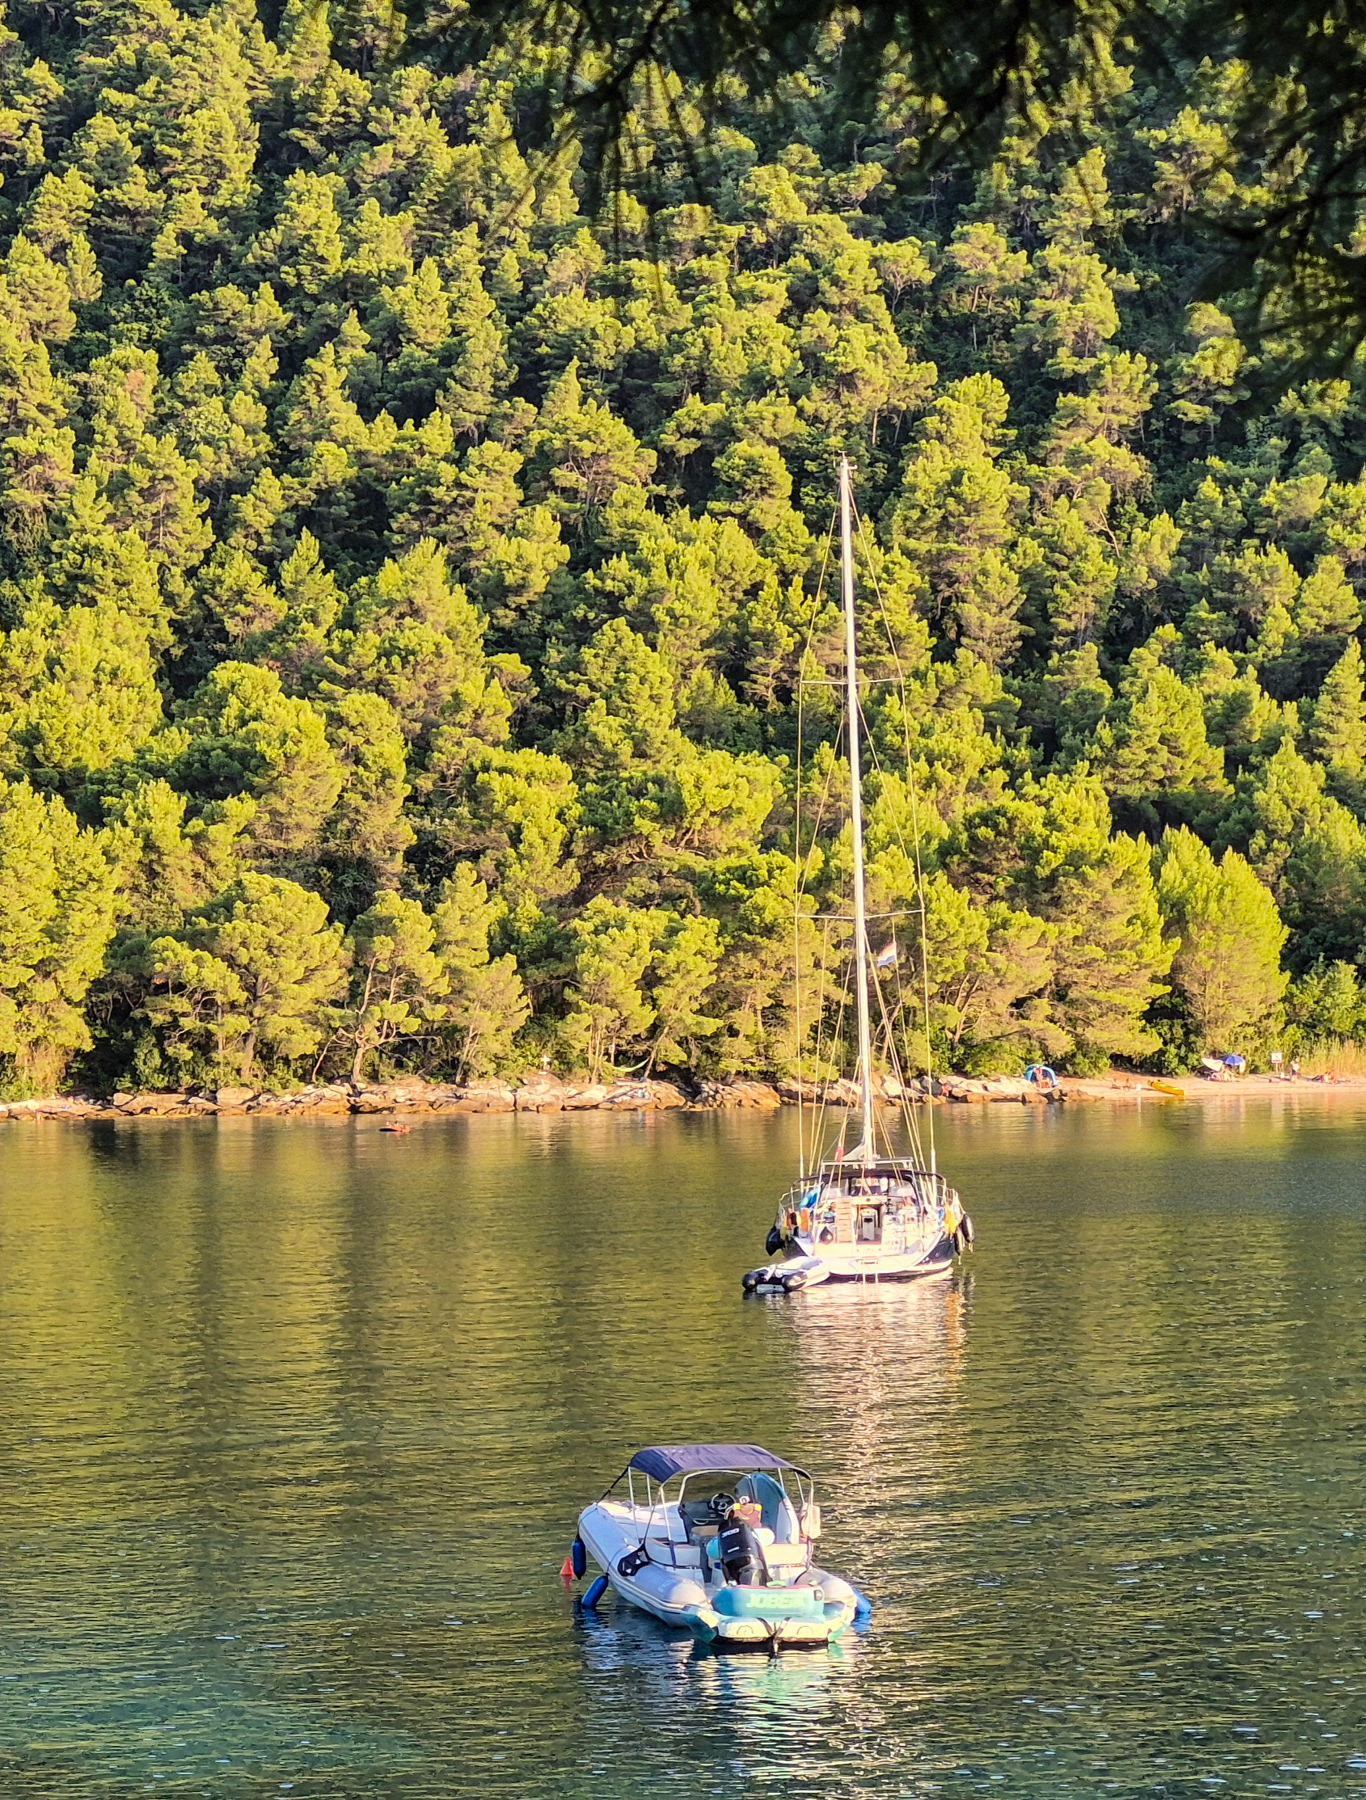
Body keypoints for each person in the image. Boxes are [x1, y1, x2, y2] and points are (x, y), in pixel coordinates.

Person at [716, 1500, 768, 1586]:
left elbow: (710, 1551)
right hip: (751, 1562)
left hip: (733, 1565)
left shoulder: (720, 1535)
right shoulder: (764, 1535)